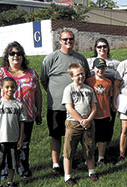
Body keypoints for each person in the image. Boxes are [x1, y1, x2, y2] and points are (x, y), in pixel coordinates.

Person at [0, 41, 42, 178]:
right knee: (5, 144)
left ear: (23, 56)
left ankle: (23, 170)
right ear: (7, 56)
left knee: (23, 144)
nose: (15, 56)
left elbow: (38, 93)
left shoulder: (32, 73)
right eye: (12, 53)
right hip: (7, 116)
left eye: (18, 53)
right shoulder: (1, 72)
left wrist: (39, 112)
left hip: (27, 115)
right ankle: (5, 172)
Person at [41, 29, 90, 174]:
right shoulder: (51, 58)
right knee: (56, 134)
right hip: (56, 106)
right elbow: (44, 80)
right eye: (65, 39)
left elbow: (86, 78)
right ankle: (56, 163)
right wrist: (55, 94)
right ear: (59, 41)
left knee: (73, 137)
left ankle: (70, 160)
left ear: (74, 40)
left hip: (77, 108)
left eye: (71, 39)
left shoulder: (81, 58)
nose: (68, 42)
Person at [0, 77, 27, 187]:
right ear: (1, 88)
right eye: (7, 87)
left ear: (16, 88)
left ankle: (10, 183)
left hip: (14, 139)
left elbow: (22, 123)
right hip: (1, 139)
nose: (10, 89)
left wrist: (20, 139)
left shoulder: (19, 105)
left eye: (12, 87)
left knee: (12, 163)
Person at [62, 64, 98, 185]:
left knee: (89, 148)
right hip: (73, 123)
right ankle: (68, 176)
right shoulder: (69, 89)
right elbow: (69, 108)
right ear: (72, 76)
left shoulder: (88, 89)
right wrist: (81, 120)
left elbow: (94, 107)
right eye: (78, 75)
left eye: (82, 74)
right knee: (69, 149)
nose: (81, 76)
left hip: (88, 123)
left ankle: (91, 172)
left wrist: (88, 120)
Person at [87, 38, 120, 146]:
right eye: (99, 46)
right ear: (95, 48)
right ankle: (92, 152)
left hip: (109, 98)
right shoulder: (89, 62)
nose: (102, 49)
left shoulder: (116, 63)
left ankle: (105, 150)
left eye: (104, 46)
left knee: (108, 125)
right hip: (92, 99)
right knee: (92, 127)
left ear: (108, 48)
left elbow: (119, 81)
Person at [87, 58, 113, 164]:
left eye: (103, 68)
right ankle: (90, 157)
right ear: (93, 68)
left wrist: (109, 113)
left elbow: (109, 98)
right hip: (93, 115)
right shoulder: (89, 81)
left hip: (104, 114)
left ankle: (101, 157)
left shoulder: (108, 82)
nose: (100, 70)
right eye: (98, 68)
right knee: (91, 138)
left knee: (103, 138)